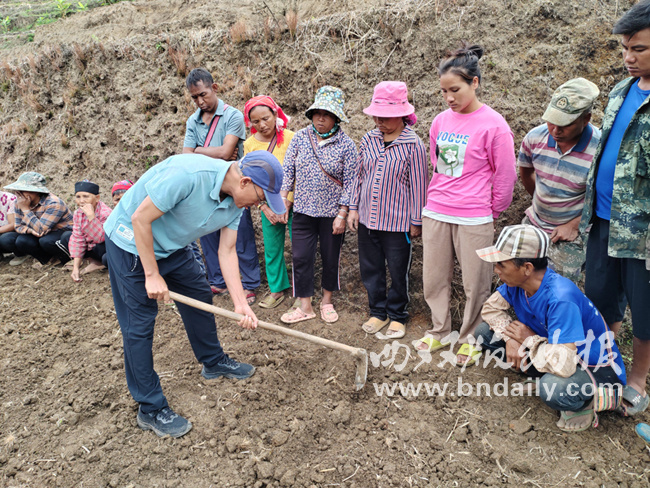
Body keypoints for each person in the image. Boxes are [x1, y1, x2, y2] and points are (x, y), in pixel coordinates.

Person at [103, 150, 285, 438]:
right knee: (139, 325)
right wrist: (152, 275)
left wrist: (240, 304)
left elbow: (227, 251)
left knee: (200, 295)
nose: (258, 205)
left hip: (172, 246)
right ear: (245, 181)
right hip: (130, 243)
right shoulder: (188, 175)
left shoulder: (236, 203)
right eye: (260, 198)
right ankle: (149, 407)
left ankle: (212, 361)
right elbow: (140, 219)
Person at [415, 45, 517, 366]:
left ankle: (471, 337)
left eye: (455, 90)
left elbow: (505, 175)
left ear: (475, 83)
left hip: (475, 217)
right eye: (444, 91)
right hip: (436, 211)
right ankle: (439, 329)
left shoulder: (494, 125)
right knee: (433, 278)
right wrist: (434, 201)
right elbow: (438, 165)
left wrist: (492, 212)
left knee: (476, 282)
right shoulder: (440, 121)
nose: (448, 97)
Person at [474, 225, 626, 432]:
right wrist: (510, 338)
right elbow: (491, 309)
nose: (496, 270)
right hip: (554, 350)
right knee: (484, 333)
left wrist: (528, 339)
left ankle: (583, 405)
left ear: (526, 268)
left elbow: (565, 364)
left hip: (593, 369)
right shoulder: (516, 284)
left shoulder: (561, 299)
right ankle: (542, 376)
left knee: (553, 389)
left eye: (501, 264)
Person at [580, 0, 650, 417]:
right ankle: (608, 363)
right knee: (603, 297)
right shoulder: (622, 91)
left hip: (642, 233)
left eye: (638, 48)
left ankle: (639, 379)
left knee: (644, 309)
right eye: (625, 48)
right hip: (604, 219)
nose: (627, 57)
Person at [348, 81, 428, 339]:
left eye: (386, 117)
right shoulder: (368, 140)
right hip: (367, 219)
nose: (379, 121)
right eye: (376, 116)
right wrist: (352, 208)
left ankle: (397, 315)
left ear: (401, 114)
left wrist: (416, 221)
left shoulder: (412, 144)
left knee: (397, 270)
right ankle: (378, 312)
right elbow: (358, 177)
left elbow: (418, 185)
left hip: (397, 224)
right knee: (370, 268)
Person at [280, 86, 358, 324]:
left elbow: (352, 181)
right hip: (303, 211)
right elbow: (288, 171)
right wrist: (283, 198)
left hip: (332, 214)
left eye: (326, 114)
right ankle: (305, 306)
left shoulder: (347, 145)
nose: (320, 118)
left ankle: (326, 302)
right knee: (301, 256)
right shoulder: (301, 138)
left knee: (330, 257)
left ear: (336, 117)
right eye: (317, 112)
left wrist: (342, 213)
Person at [182, 67, 260, 303]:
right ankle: (218, 281)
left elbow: (227, 152)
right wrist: (204, 153)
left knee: (240, 234)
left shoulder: (233, 116)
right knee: (207, 234)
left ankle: (249, 283)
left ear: (214, 88)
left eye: (203, 94)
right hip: (204, 188)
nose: (200, 101)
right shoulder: (192, 121)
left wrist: (198, 150)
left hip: (232, 186)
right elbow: (186, 158)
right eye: (194, 97)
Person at [518, 78, 601, 281]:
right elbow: (526, 171)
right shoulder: (535, 138)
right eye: (552, 120)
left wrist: (574, 225)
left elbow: (604, 197)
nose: (555, 130)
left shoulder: (600, 149)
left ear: (586, 118)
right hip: (535, 221)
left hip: (572, 228)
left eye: (565, 124)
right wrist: (540, 199)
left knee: (557, 284)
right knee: (518, 275)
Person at [243, 95, 295, 309]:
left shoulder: (292, 138)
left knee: (300, 247)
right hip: (267, 205)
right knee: (272, 249)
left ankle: (302, 290)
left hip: (294, 202)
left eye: (266, 118)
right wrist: (263, 207)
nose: (262, 125)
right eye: (256, 122)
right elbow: (249, 181)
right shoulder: (249, 145)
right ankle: (277, 289)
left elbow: (298, 172)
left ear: (275, 114)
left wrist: (287, 202)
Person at [0, 172, 73, 267]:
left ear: (35, 191)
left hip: (60, 232)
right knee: (14, 239)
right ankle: (46, 260)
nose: (19, 194)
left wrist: (25, 209)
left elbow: (41, 229)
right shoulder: (19, 202)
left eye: (22, 191)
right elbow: (18, 226)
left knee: (46, 241)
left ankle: (66, 258)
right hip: (38, 231)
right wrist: (30, 231)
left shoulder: (54, 203)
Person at [59, 180, 112, 282]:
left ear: (97, 198)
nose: (81, 201)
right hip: (91, 246)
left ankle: (100, 263)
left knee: (101, 246)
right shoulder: (78, 213)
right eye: (78, 197)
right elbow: (77, 238)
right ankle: (93, 262)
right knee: (68, 237)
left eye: (86, 196)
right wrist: (76, 268)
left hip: (102, 248)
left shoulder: (105, 213)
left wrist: (91, 217)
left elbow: (101, 238)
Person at [0, 190, 17, 261]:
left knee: (5, 239)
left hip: (12, 232)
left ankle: (21, 253)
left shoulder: (10, 199)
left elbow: (13, 224)